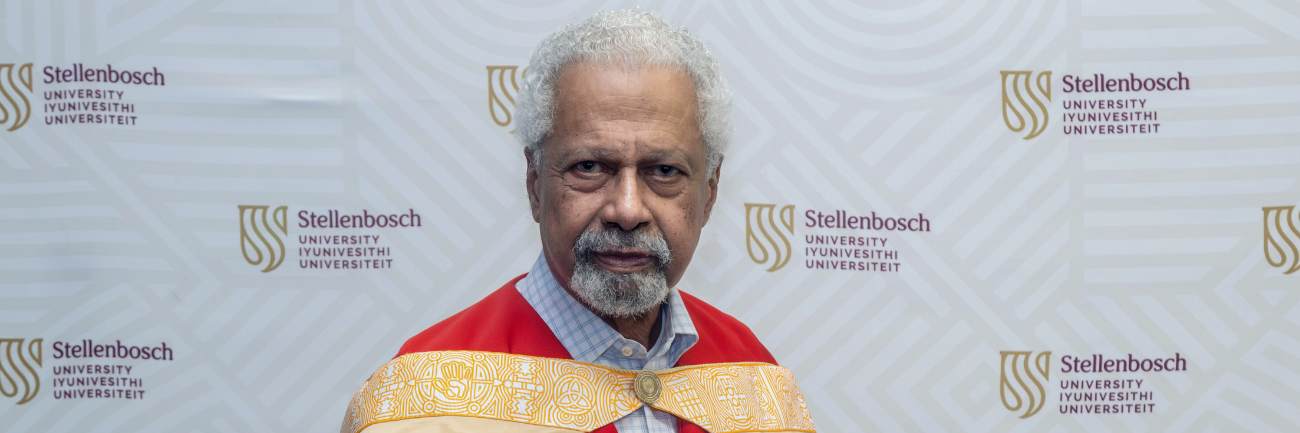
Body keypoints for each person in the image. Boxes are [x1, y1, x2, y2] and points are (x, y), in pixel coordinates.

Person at [342, 9, 815, 433]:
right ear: (534, 183)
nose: (627, 210)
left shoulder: (759, 385)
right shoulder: (421, 403)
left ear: (709, 192)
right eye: (589, 167)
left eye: (664, 171)